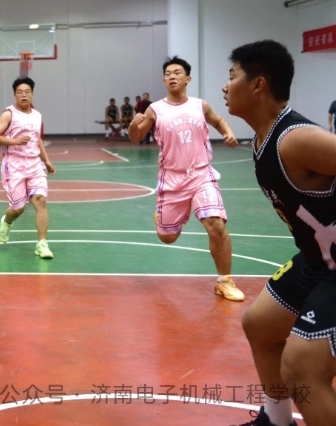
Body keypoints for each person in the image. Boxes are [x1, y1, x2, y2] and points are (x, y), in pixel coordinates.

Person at [224, 40, 336, 426]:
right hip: (318, 259)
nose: (225, 86)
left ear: (258, 84)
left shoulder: (294, 139)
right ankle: (276, 421)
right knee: (260, 326)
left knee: (303, 367)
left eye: (232, 75)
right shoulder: (264, 138)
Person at [128, 56, 244, 302]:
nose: (172, 76)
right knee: (168, 237)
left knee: (216, 224)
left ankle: (225, 281)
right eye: (168, 73)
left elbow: (218, 120)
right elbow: (136, 137)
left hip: (201, 175)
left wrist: (228, 132)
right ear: (164, 80)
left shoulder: (200, 105)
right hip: (172, 179)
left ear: (188, 78)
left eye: (177, 72)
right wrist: (133, 125)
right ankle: (162, 218)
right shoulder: (155, 110)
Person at [0, 77, 56, 258]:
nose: (24, 95)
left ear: (32, 94)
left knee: (40, 200)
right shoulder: (9, 114)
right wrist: (16, 141)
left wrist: (46, 160)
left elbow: (37, 139)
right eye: (19, 92)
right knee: (18, 209)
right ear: (15, 95)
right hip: (14, 165)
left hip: (34, 164)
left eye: (27, 92)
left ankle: (42, 244)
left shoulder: (37, 115)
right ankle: (7, 221)